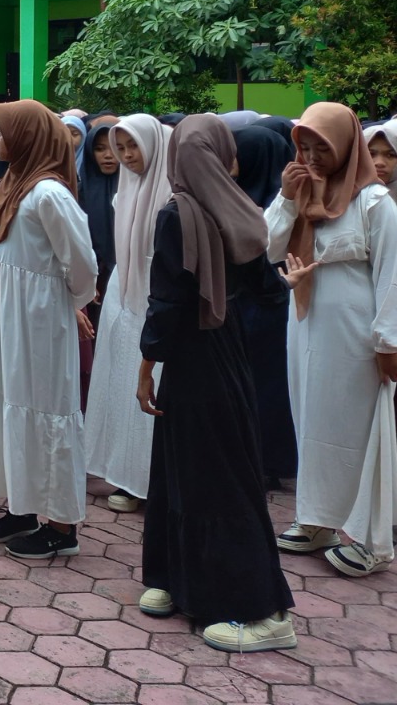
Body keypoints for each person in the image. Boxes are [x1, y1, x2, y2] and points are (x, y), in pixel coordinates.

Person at [137, 114, 297, 653]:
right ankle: (180, 581)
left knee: (216, 475)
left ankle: (265, 612)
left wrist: (145, 367)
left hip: (192, 358)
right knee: (192, 467)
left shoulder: (176, 214)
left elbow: (167, 303)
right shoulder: (241, 211)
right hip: (225, 354)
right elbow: (271, 291)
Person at [266, 101, 397, 578]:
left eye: (323, 145)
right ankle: (318, 518)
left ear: (346, 144)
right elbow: (268, 246)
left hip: (355, 331)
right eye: (305, 145)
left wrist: (387, 341)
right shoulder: (303, 192)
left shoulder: (374, 202)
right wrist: (284, 197)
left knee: (356, 430)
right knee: (312, 419)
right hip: (305, 321)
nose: (314, 155)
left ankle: (369, 540)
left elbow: (392, 274)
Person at [0, 100, 97, 559]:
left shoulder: (49, 194)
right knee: (10, 403)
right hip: (7, 319)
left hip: (39, 322)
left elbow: (82, 264)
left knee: (45, 408)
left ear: (28, 136)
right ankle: (22, 507)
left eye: (4, 132)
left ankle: (62, 526)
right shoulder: (13, 185)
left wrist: (67, 304)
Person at [84, 114, 169, 513]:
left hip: (156, 293)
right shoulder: (125, 190)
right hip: (123, 289)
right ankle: (121, 472)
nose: (127, 155)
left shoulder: (172, 194)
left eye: (134, 146)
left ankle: (148, 481)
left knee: (149, 383)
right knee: (119, 381)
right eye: (122, 147)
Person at [233, 123, 298, 483]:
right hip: (248, 303)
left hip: (271, 304)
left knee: (269, 386)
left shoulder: (288, 200)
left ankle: (271, 459)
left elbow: (265, 248)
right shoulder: (234, 196)